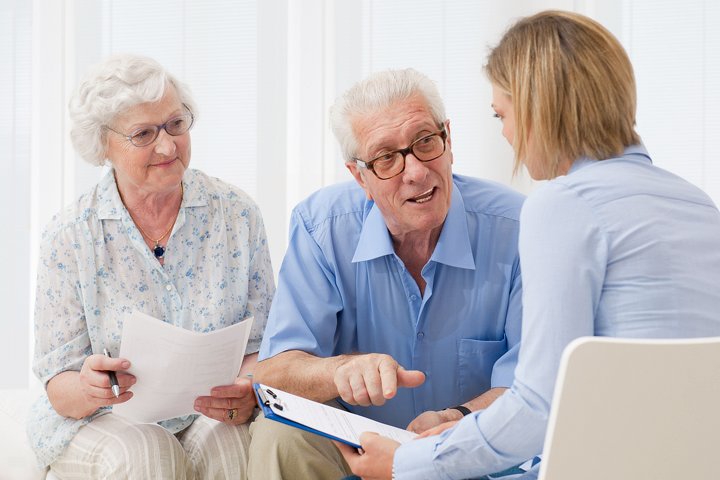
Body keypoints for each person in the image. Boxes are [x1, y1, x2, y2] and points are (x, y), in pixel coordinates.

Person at [336, 10, 720, 480]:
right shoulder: (698, 203)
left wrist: (406, 464)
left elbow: (540, 406)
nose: (506, 134)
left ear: (540, 109)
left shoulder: (564, 204)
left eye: (503, 114)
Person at [248, 68, 525, 480]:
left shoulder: (519, 226)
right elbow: (273, 374)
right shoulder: (321, 227)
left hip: (470, 452)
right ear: (360, 175)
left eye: (425, 142)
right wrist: (339, 371)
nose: (414, 172)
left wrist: (459, 418)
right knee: (277, 433)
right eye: (386, 158)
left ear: (449, 141)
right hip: (357, 454)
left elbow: (535, 386)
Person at [27, 54, 275, 479]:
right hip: (99, 421)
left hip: (205, 413)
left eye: (176, 124)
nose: (168, 146)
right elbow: (61, 391)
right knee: (148, 452)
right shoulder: (68, 236)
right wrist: (88, 388)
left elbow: (262, 345)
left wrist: (247, 386)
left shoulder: (237, 215)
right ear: (102, 144)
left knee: (232, 445)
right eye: (143, 133)